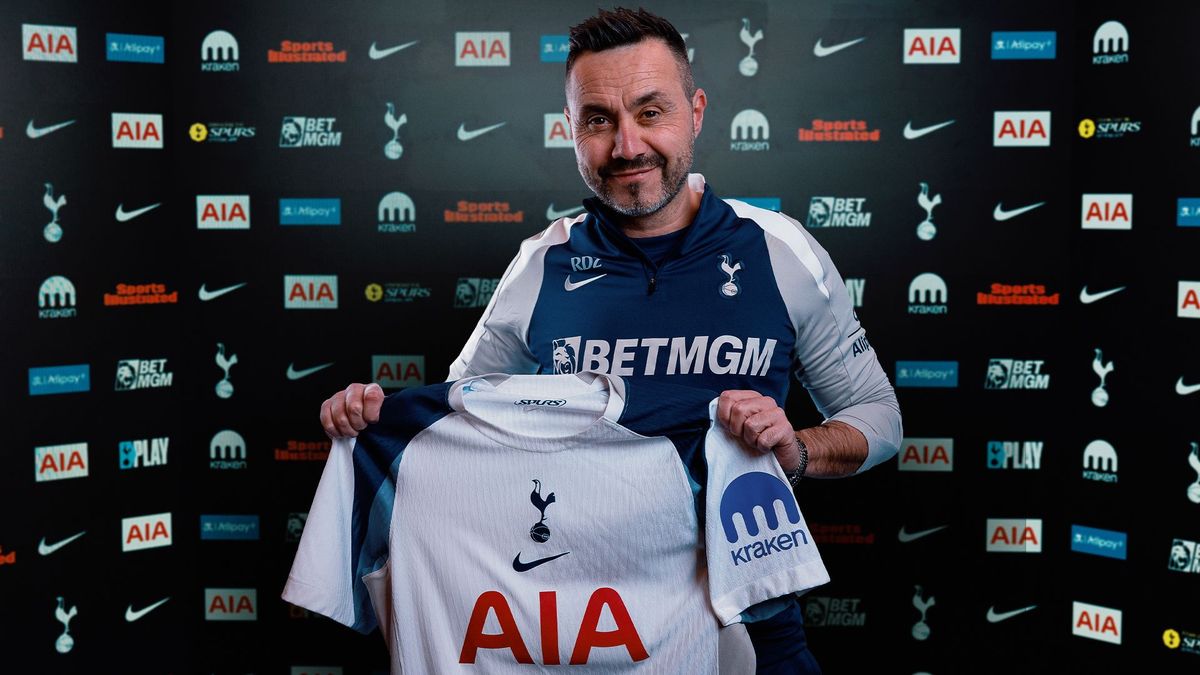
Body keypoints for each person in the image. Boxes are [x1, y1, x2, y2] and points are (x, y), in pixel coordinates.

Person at [319, 7, 902, 673]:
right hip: (581, 628)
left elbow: (879, 420)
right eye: (598, 120)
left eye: (650, 112)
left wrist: (796, 450)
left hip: (748, 619)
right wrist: (373, 418)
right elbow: (460, 423)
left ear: (697, 111)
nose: (626, 146)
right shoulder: (542, 262)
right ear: (570, 131)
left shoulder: (780, 251)